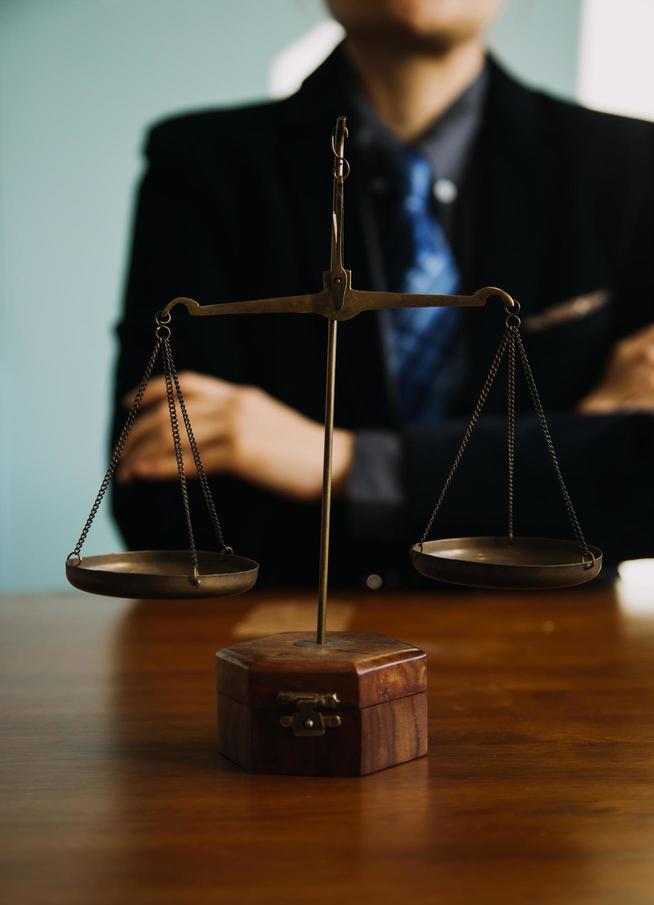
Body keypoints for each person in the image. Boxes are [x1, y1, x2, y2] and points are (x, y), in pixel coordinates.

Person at [112, 0, 654, 588]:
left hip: (553, 643)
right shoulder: (200, 166)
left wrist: (344, 464)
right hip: (283, 637)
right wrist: (562, 455)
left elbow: (642, 484)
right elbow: (164, 511)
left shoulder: (631, 166)